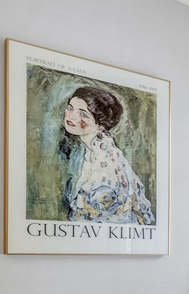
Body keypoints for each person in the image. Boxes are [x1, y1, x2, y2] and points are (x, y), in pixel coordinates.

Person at [59, 86, 155, 225]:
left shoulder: (106, 161)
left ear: (101, 124)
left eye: (83, 114)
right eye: (70, 107)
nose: (72, 116)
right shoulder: (92, 150)